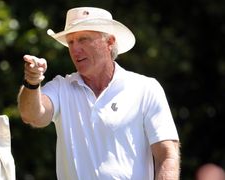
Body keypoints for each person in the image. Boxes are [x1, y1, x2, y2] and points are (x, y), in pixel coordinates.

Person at [18, 7, 180, 180]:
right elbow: (32, 115)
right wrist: (32, 82)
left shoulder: (145, 88)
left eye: (83, 39)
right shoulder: (61, 87)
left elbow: (167, 155)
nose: (75, 49)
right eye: (70, 42)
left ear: (109, 42)